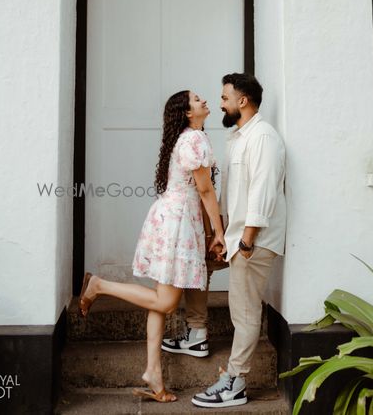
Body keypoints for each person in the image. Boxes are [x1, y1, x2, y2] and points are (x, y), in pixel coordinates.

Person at [78, 90, 225, 404]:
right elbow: (205, 190)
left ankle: (153, 374)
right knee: (166, 302)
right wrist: (219, 232)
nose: (204, 101)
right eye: (197, 99)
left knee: (160, 300)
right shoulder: (193, 139)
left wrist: (208, 230)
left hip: (173, 220)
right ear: (187, 112)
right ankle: (99, 285)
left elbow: (201, 191)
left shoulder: (189, 138)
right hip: (177, 224)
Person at [170, 73, 286, 409]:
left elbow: (263, 192)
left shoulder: (263, 137)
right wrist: (222, 235)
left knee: (244, 313)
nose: (220, 103)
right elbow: (232, 193)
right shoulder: (238, 137)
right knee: (203, 268)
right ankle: (197, 333)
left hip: (254, 241)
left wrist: (246, 241)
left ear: (242, 101)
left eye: (225, 97)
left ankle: (235, 381)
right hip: (237, 237)